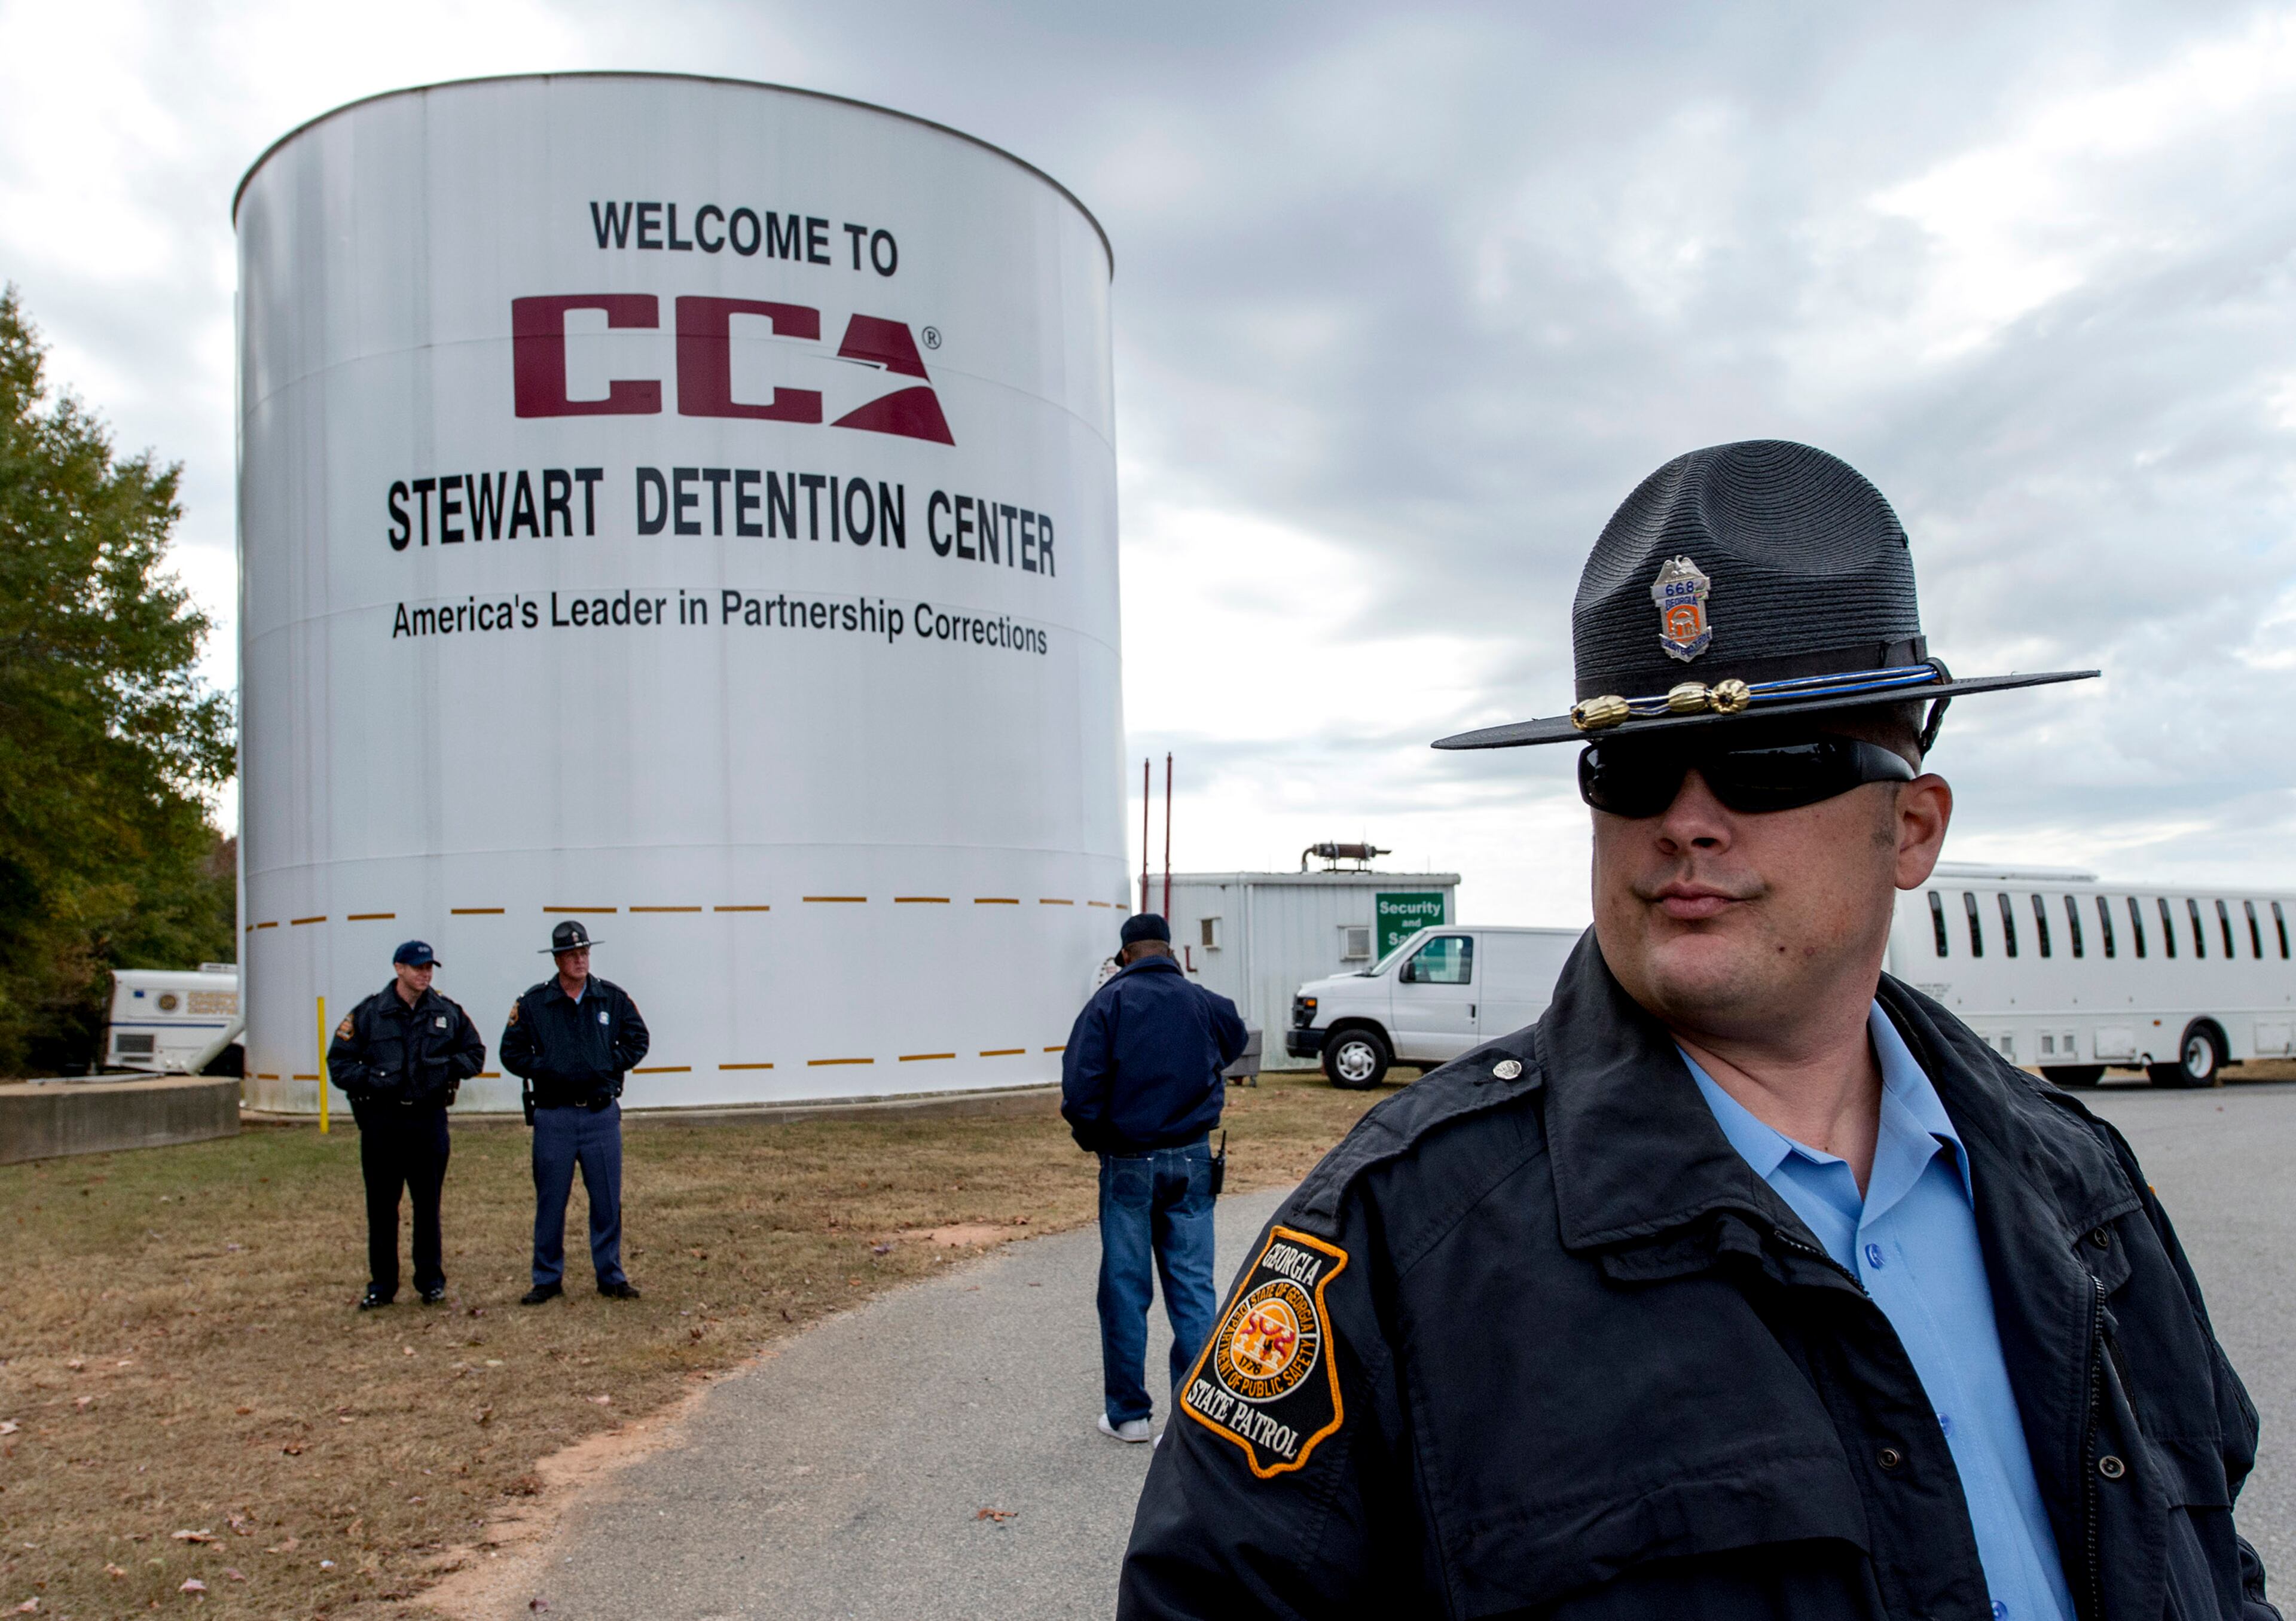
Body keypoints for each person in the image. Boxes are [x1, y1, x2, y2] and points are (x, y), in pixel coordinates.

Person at [1121, 441, 2279, 1620]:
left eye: (1763, 759)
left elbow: (2215, 1564)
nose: (1685, 820)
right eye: (1629, 764)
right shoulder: (1406, 1239)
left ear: (1914, 826)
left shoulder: (2082, 1186)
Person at [1064, 914, 1249, 1444]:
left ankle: (1129, 1416)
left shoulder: (1107, 1005)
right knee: (1193, 1287)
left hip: (1127, 1162)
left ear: (1124, 955)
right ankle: (1198, 1422)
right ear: (1170, 951)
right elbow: (1233, 1038)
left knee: (1125, 1287)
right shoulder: (1203, 1003)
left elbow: (1081, 1093)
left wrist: (1096, 1137)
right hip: (1192, 1159)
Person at [326, 940, 485, 1310]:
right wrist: (375, 1079)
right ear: (399, 968)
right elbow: (340, 1064)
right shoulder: (369, 1014)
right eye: (418, 967)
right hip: (383, 1122)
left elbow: (475, 1054)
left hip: (428, 1121)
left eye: (429, 967)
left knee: (428, 1205)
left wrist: (444, 1068)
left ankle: (430, 1281)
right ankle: (382, 1285)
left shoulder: (446, 1012)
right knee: (382, 1208)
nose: (425, 973)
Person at [498, 920, 650, 1305]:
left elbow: (639, 1039)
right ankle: (547, 1278)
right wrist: (545, 1068)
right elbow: (511, 1052)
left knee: (606, 1201)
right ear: (558, 959)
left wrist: (608, 1063)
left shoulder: (610, 999)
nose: (581, 960)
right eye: (572, 955)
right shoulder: (534, 1004)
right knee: (551, 1201)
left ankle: (611, 1275)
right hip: (555, 1117)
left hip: (600, 1116)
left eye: (585, 953)